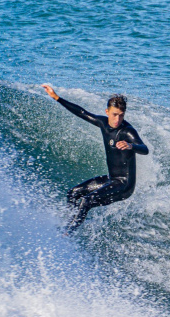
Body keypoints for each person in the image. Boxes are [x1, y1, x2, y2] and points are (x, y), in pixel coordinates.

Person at [42, 84, 149, 232]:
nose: (117, 119)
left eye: (121, 115)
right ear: (107, 112)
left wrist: (131, 146)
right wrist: (56, 98)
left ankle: (67, 232)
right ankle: (68, 221)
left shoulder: (127, 132)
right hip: (112, 179)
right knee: (73, 193)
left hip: (125, 185)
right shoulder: (103, 123)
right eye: (114, 114)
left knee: (87, 200)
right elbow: (81, 112)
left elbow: (145, 149)